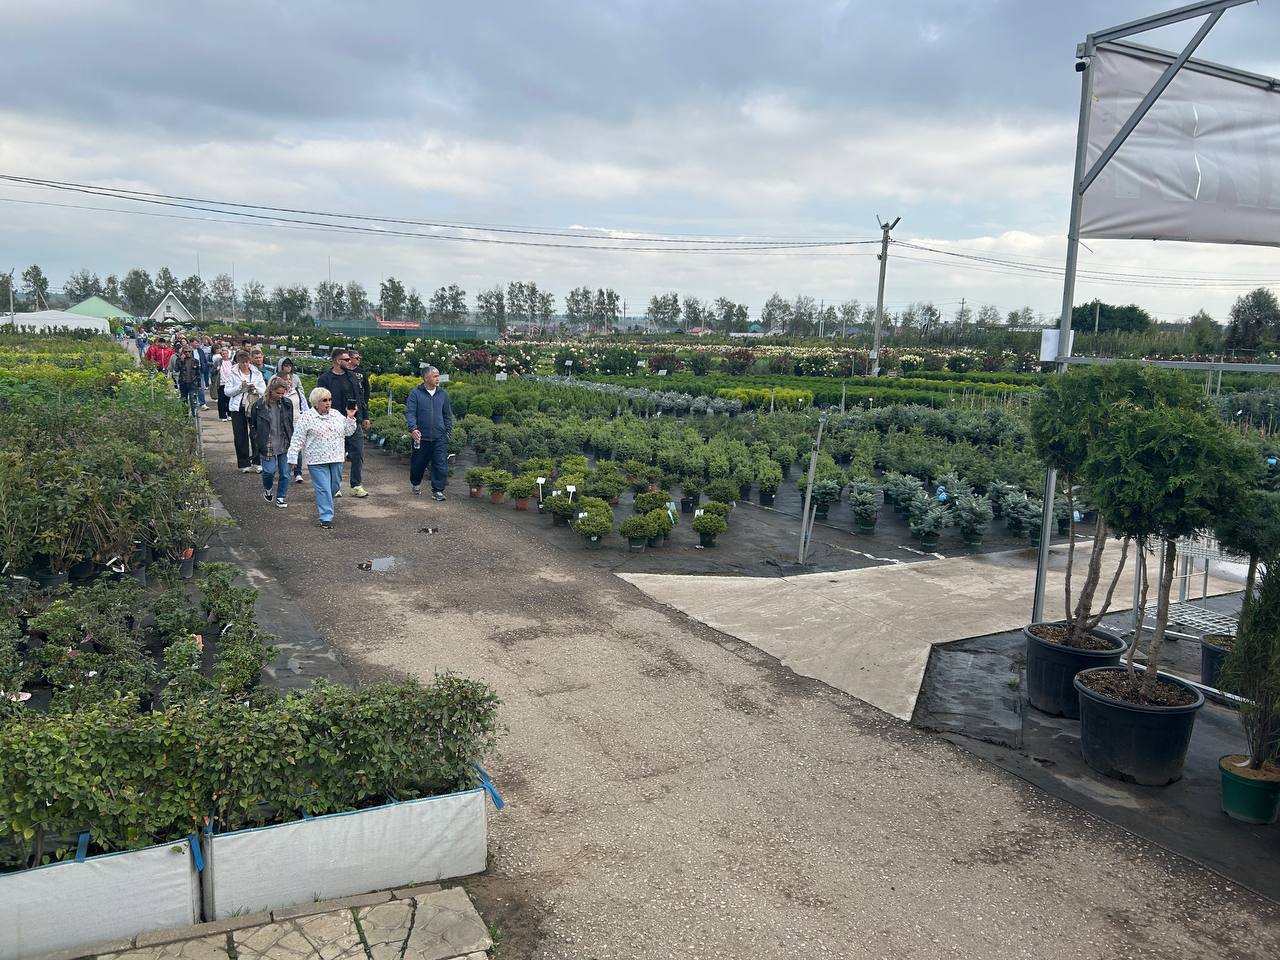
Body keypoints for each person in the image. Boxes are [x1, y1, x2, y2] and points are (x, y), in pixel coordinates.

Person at [287, 387, 357, 530]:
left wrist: (350, 417)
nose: (328, 403)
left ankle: (324, 502)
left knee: (335, 486)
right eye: (324, 400)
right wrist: (292, 457)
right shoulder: (306, 417)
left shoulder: (336, 414)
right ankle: (326, 517)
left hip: (336, 457)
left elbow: (349, 432)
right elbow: (297, 438)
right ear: (315, 402)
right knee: (323, 488)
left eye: (330, 400)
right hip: (316, 460)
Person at [316, 348, 369, 499]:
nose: (349, 361)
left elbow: (360, 397)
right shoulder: (325, 379)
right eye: (346, 359)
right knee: (335, 455)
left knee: (358, 453)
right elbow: (320, 401)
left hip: (352, 420)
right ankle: (335, 485)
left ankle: (356, 485)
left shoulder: (352, 376)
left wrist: (364, 416)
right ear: (337, 361)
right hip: (333, 422)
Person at [406, 364, 453, 500]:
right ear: (426, 378)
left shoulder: (442, 394)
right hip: (421, 438)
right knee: (418, 464)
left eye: (438, 376)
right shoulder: (415, 393)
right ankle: (415, 483)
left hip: (439, 437)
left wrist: (447, 430)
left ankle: (438, 491)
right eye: (435, 376)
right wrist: (413, 428)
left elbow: (447, 414)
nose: (438, 379)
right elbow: (410, 412)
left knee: (440, 465)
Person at [252, 377, 294, 508]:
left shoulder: (287, 403)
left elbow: (289, 423)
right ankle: (268, 489)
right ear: (271, 390)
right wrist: (257, 441)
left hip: (284, 441)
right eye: (278, 393)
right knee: (269, 472)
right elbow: (253, 425)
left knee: (285, 473)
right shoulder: (259, 405)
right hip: (267, 442)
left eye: (283, 393)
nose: (281, 396)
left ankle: (281, 497)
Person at [223, 350, 266, 472]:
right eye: (242, 362)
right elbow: (227, 392)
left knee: (256, 434)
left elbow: (264, 390)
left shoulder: (256, 373)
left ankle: (257, 461)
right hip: (238, 407)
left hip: (253, 406)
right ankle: (244, 463)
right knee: (240, 435)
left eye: (247, 362)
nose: (245, 365)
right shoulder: (232, 373)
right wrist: (240, 387)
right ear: (238, 362)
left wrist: (255, 388)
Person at [277, 359, 310, 483]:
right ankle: (285, 469)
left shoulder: (297, 392)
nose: (288, 381)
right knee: (283, 446)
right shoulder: (279, 394)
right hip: (281, 424)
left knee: (296, 446)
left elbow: (304, 407)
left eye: (290, 379)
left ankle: (298, 472)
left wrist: (305, 420)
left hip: (296, 422)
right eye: (286, 380)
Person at [174, 345, 203, 416]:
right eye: (185, 352)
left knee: (193, 400)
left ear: (191, 352)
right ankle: (185, 416)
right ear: (183, 352)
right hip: (183, 383)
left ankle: (194, 416)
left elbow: (198, 373)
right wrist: (181, 361)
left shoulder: (195, 361)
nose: (187, 353)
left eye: (189, 351)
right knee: (184, 400)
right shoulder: (179, 360)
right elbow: (176, 369)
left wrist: (199, 385)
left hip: (193, 383)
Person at [210, 347, 232, 420]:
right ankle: (223, 415)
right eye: (223, 354)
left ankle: (230, 414)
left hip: (230, 384)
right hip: (221, 383)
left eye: (226, 353)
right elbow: (212, 372)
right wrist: (216, 370)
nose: (225, 355)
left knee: (229, 399)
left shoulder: (232, 362)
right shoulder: (218, 362)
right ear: (221, 355)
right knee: (221, 400)